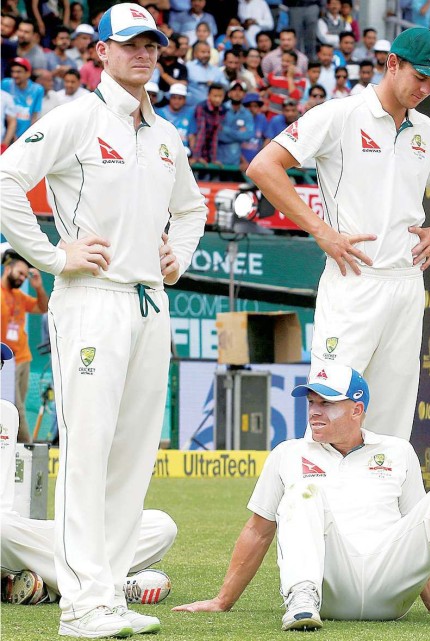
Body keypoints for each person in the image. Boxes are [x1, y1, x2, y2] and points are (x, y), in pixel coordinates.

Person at [0, 5, 208, 637]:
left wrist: (180, 254)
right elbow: (7, 178)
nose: (144, 53)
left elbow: (192, 208)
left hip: (151, 302)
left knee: (133, 456)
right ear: (101, 52)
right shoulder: (77, 119)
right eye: (130, 43)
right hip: (91, 299)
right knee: (87, 453)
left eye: (152, 44)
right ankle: (81, 606)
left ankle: (110, 595)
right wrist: (50, 256)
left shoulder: (166, 134)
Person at [172, 363, 430, 633]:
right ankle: (300, 597)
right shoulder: (287, 453)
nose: (314, 411)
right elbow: (257, 530)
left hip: (390, 591)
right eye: (311, 402)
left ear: (357, 410)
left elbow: (422, 533)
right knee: (303, 493)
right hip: (327, 592)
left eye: (327, 403)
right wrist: (222, 601)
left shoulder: (398, 451)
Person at [246, 27, 430, 442]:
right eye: (420, 77)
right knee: (330, 409)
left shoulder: (426, 130)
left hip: (406, 283)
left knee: (392, 421)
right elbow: (263, 166)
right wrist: (321, 231)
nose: (426, 89)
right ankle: (316, 487)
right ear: (392, 64)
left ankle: (379, 488)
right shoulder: (340, 114)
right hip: (353, 279)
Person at [1, 344, 177, 608]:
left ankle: (54, 585)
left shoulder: (6, 414)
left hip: (17, 537)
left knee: (162, 527)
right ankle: (108, 586)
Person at [1, 250, 48, 443]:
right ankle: (27, 448)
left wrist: (38, 287)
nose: (22, 278)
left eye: (24, 275)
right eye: (20, 273)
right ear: (8, 268)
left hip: (24, 359)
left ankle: (13, 447)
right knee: (15, 408)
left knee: (14, 407)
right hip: (5, 363)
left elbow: (43, 308)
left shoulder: (19, 296)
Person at [1, 58, 44, 139]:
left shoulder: (37, 89)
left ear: (28, 73)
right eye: (13, 71)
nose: (14, 75)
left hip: (26, 135)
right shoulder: (5, 84)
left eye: (18, 72)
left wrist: (30, 137)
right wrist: (11, 136)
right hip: (6, 136)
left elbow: (34, 116)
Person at [191, 82, 227, 164]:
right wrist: (196, 156)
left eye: (220, 96)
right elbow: (201, 132)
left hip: (208, 150)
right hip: (194, 146)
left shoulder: (222, 110)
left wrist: (213, 159)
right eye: (215, 96)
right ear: (208, 95)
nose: (217, 99)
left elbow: (215, 135)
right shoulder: (201, 107)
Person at [156, 84, 196, 156]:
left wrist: (194, 155)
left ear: (185, 100)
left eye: (180, 98)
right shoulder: (160, 112)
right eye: (174, 98)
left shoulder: (190, 114)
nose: (177, 101)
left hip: (185, 151)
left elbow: (191, 136)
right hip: (165, 150)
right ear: (170, 98)